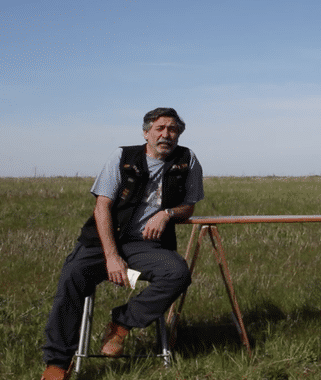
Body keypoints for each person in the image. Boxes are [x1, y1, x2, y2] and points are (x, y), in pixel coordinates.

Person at [41, 108, 204, 380]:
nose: (166, 134)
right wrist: (112, 257)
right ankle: (58, 362)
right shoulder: (123, 157)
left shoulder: (187, 160)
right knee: (72, 278)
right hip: (103, 241)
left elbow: (188, 206)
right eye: (160, 128)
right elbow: (102, 207)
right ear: (146, 133)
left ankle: (120, 326)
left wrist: (167, 214)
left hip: (146, 245)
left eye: (173, 129)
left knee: (177, 273)